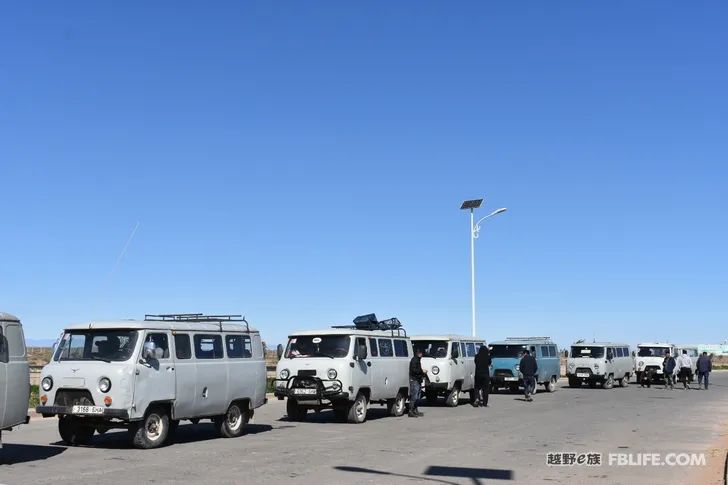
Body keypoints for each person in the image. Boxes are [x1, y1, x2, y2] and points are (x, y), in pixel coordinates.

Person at [408, 348, 427, 417]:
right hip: (414, 380)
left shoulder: (418, 360)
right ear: (417, 353)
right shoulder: (414, 360)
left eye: (421, 353)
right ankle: (410, 411)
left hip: (418, 379)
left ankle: (415, 410)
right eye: (420, 353)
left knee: (418, 396)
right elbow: (414, 370)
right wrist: (422, 372)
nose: (421, 354)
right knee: (414, 396)